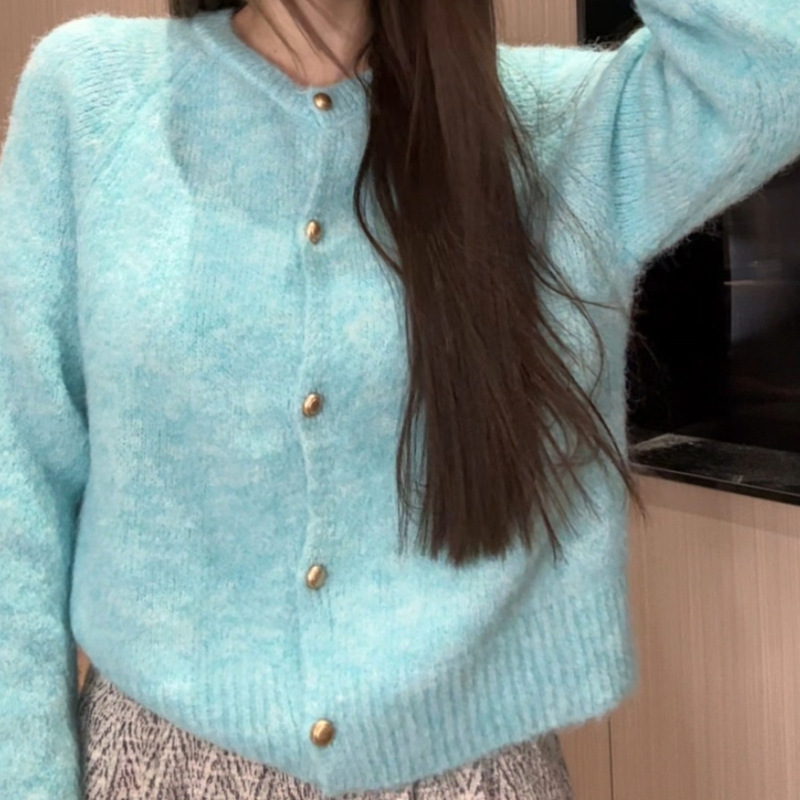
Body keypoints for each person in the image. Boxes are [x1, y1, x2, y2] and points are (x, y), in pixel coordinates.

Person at [1, 0, 799, 798]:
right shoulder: (93, 96)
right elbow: (17, 484)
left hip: (476, 778)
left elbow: (775, 66)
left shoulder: (552, 127)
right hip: (157, 768)